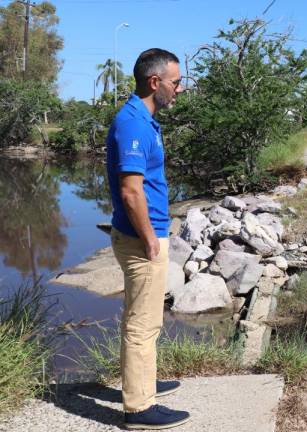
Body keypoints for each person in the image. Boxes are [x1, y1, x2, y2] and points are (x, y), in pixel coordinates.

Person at [106, 48, 190, 429]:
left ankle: (142, 382)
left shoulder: (144, 119)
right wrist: (150, 240)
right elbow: (130, 191)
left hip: (147, 233)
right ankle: (139, 409)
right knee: (142, 324)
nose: (180, 89)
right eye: (175, 82)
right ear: (155, 82)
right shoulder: (134, 123)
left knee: (147, 319)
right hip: (143, 239)